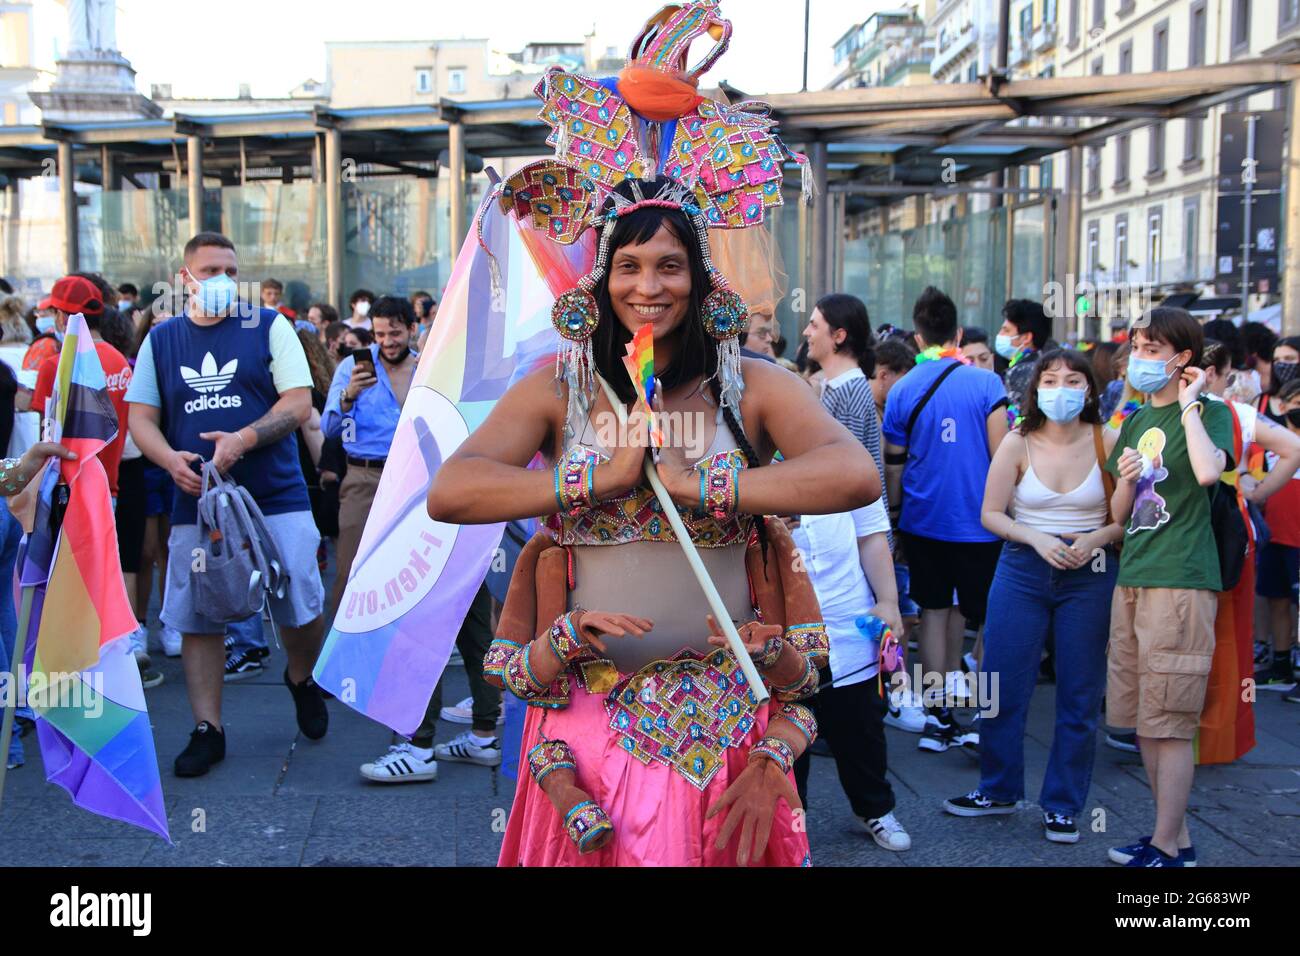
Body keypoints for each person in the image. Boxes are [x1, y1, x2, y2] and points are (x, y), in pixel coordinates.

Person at [429, 169, 877, 864]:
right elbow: (453, 490)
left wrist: (703, 486)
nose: (648, 287)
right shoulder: (561, 387)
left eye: (671, 266)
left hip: (728, 721)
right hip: (591, 723)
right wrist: (594, 480)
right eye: (628, 266)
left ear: (701, 280)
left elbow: (852, 475)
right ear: (599, 278)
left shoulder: (750, 383)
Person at [126, 231, 328, 778]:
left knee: (302, 598)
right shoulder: (162, 340)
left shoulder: (268, 325)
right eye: (210, 269)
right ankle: (207, 728)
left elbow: (298, 402)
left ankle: (300, 676)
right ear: (184, 277)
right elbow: (141, 416)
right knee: (198, 614)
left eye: (231, 270)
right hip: (197, 496)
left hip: (277, 492)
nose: (222, 280)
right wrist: (169, 460)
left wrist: (243, 438)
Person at [944, 349, 1121, 843]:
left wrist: (1094, 539)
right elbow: (991, 513)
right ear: (1036, 389)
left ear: (1089, 388)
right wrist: (1036, 537)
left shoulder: (1109, 440)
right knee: (1001, 684)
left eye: (1072, 379)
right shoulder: (1018, 441)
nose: (1060, 387)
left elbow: (1126, 517)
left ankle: (1063, 804)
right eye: (1050, 379)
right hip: (1023, 567)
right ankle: (997, 789)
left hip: (1091, 572)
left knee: (1080, 692)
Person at [1104, 307, 1235, 867]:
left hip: (1181, 579)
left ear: (1183, 358)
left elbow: (1209, 472)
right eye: (1137, 345)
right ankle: (1171, 838)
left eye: (1153, 349)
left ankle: (1166, 845)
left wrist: (1187, 404)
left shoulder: (1212, 412)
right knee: (1143, 719)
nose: (1140, 358)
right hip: (1134, 573)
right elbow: (1118, 514)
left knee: (1171, 722)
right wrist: (1128, 480)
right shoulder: (1132, 421)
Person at [883, 287, 1009, 751]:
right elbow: (1002, 456)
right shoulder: (987, 385)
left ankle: (938, 711)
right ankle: (984, 713)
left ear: (917, 339)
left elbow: (892, 464)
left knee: (934, 610)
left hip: (922, 517)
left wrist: (895, 518)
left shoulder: (902, 389)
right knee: (986, 616)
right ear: (957, 333)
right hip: (982, 521)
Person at [1195, 340, 1300, 760]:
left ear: (1222, 373)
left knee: (1212, 633)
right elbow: (1291, 449)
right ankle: (1213, 738)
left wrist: (1255, 493)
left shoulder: (1234, 413)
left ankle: (1192, 736)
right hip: (1223, 533)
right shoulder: (1236, 412)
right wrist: (1253, 492)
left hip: (1215, 534)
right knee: (1226, 636)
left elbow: (1293, 449)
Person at [322, 295, 419, 615]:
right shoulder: (352, 366)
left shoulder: (425, 366)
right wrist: (348, 396)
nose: (387, 343)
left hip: (412, 479)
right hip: (363, 477)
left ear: (412, 329)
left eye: (395, 334)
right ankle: (340, 656)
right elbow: (329, 429)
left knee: (409, 572)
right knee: (352, 571)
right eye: (379, 335)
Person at [1254, 376, 1300, 692]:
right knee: (1277, 601)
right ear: (1281, 407)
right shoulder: (1269, 451)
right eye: (1295, 404)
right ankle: (1280, 664)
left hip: (1297, 544)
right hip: (1275, 540)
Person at [997, 299, 1052, 420]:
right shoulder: (1047, 365)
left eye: (1006, 330)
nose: (1000, 334)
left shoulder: (1019, 373)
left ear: (1026, 337)